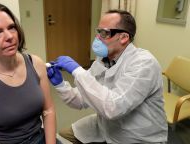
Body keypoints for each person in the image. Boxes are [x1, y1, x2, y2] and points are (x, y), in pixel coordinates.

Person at [47, 9, 168, 144]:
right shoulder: (102, 59)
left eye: (104, 33)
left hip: (137, 136)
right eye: (98, 31)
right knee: (62, 136)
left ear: (123, 37)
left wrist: (78, 71)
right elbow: (81, 100)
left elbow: (113, 108)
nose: (97, 38)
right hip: (106, 126)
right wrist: (61, 85)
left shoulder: (144, 63)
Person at [0, 2, 56, 144]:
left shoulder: (36, 63)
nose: (9, 36)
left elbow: (48, 110)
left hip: (41, 138)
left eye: (11, 27)